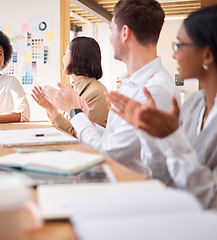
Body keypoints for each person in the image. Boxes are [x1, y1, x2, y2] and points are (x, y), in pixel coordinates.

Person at [44, 0, 180, 184]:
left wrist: (74, 112)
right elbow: (114, 138)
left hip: (135, 188)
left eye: (111, 30)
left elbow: (109, 154)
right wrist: (87, 121)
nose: (109, 38)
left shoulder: (153, 90)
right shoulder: (131, 83)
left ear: (124, 33)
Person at [107, 4, 217, 209]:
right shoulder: (193, 105)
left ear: (207, 55)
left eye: (181, 45)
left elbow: (211, 200)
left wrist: (170, 137)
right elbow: (162, 174)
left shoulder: (157, 88)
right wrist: (149, 134)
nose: (174, 55)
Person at [31, 37, 109, 137]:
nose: (62, 58)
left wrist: (51, 109)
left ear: (76, 56)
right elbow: (63, 125)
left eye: (65, 53)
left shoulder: (97, 93)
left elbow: (82, 136)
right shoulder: (72, 88)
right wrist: (49, 106)